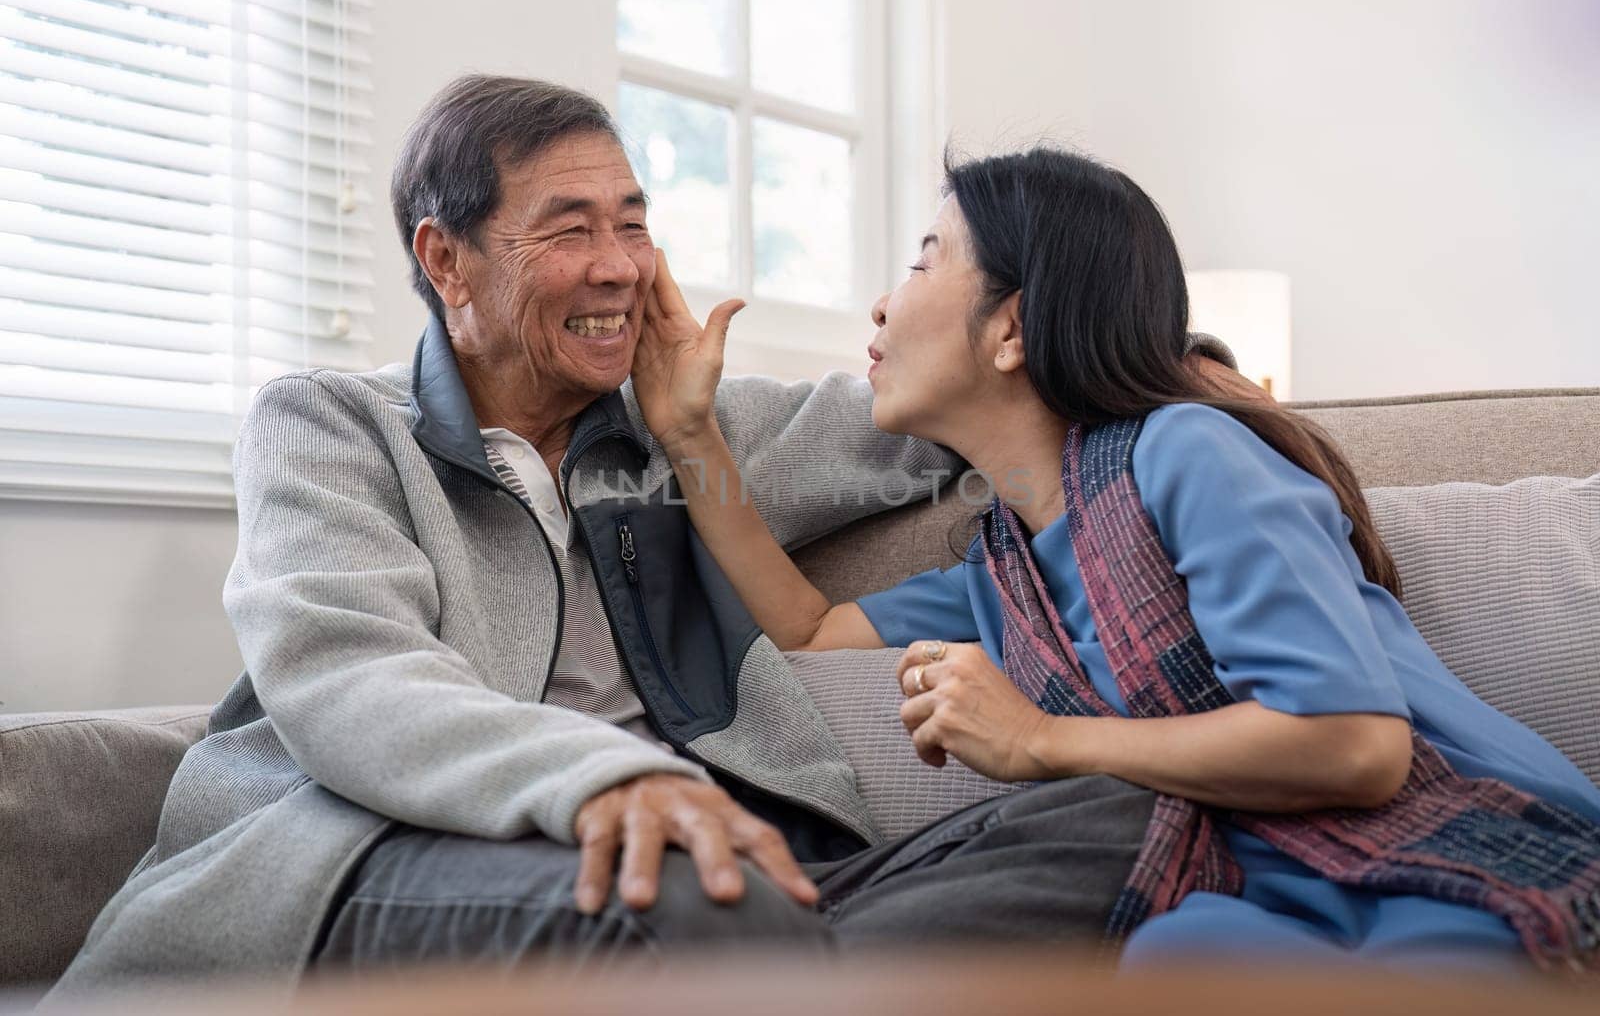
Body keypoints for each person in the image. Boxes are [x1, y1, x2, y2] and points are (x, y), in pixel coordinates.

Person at [48, 77, 1243, 1000]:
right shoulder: (328, 423)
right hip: (376, 847)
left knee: (1122, 815)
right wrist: (603, 773)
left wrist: (1154, 367)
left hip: (694, 860)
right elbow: (350, 674)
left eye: (634, 223)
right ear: (443, 258)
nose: (619, 266)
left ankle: (774, 980)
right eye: (570, 228)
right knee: (701, 906)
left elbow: (912, 418)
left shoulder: (675, 420)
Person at [630, 145, 1600, 974]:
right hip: (1261, 888)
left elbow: (1355, 741)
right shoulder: (1005, 572)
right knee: (1165, 958)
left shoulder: (1187, 452)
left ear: (1011, 326)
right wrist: (688, 433)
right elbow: (807, 627)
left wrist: (1041, 741)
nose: (882, 303)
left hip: (1466, 858)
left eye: (926, 262)